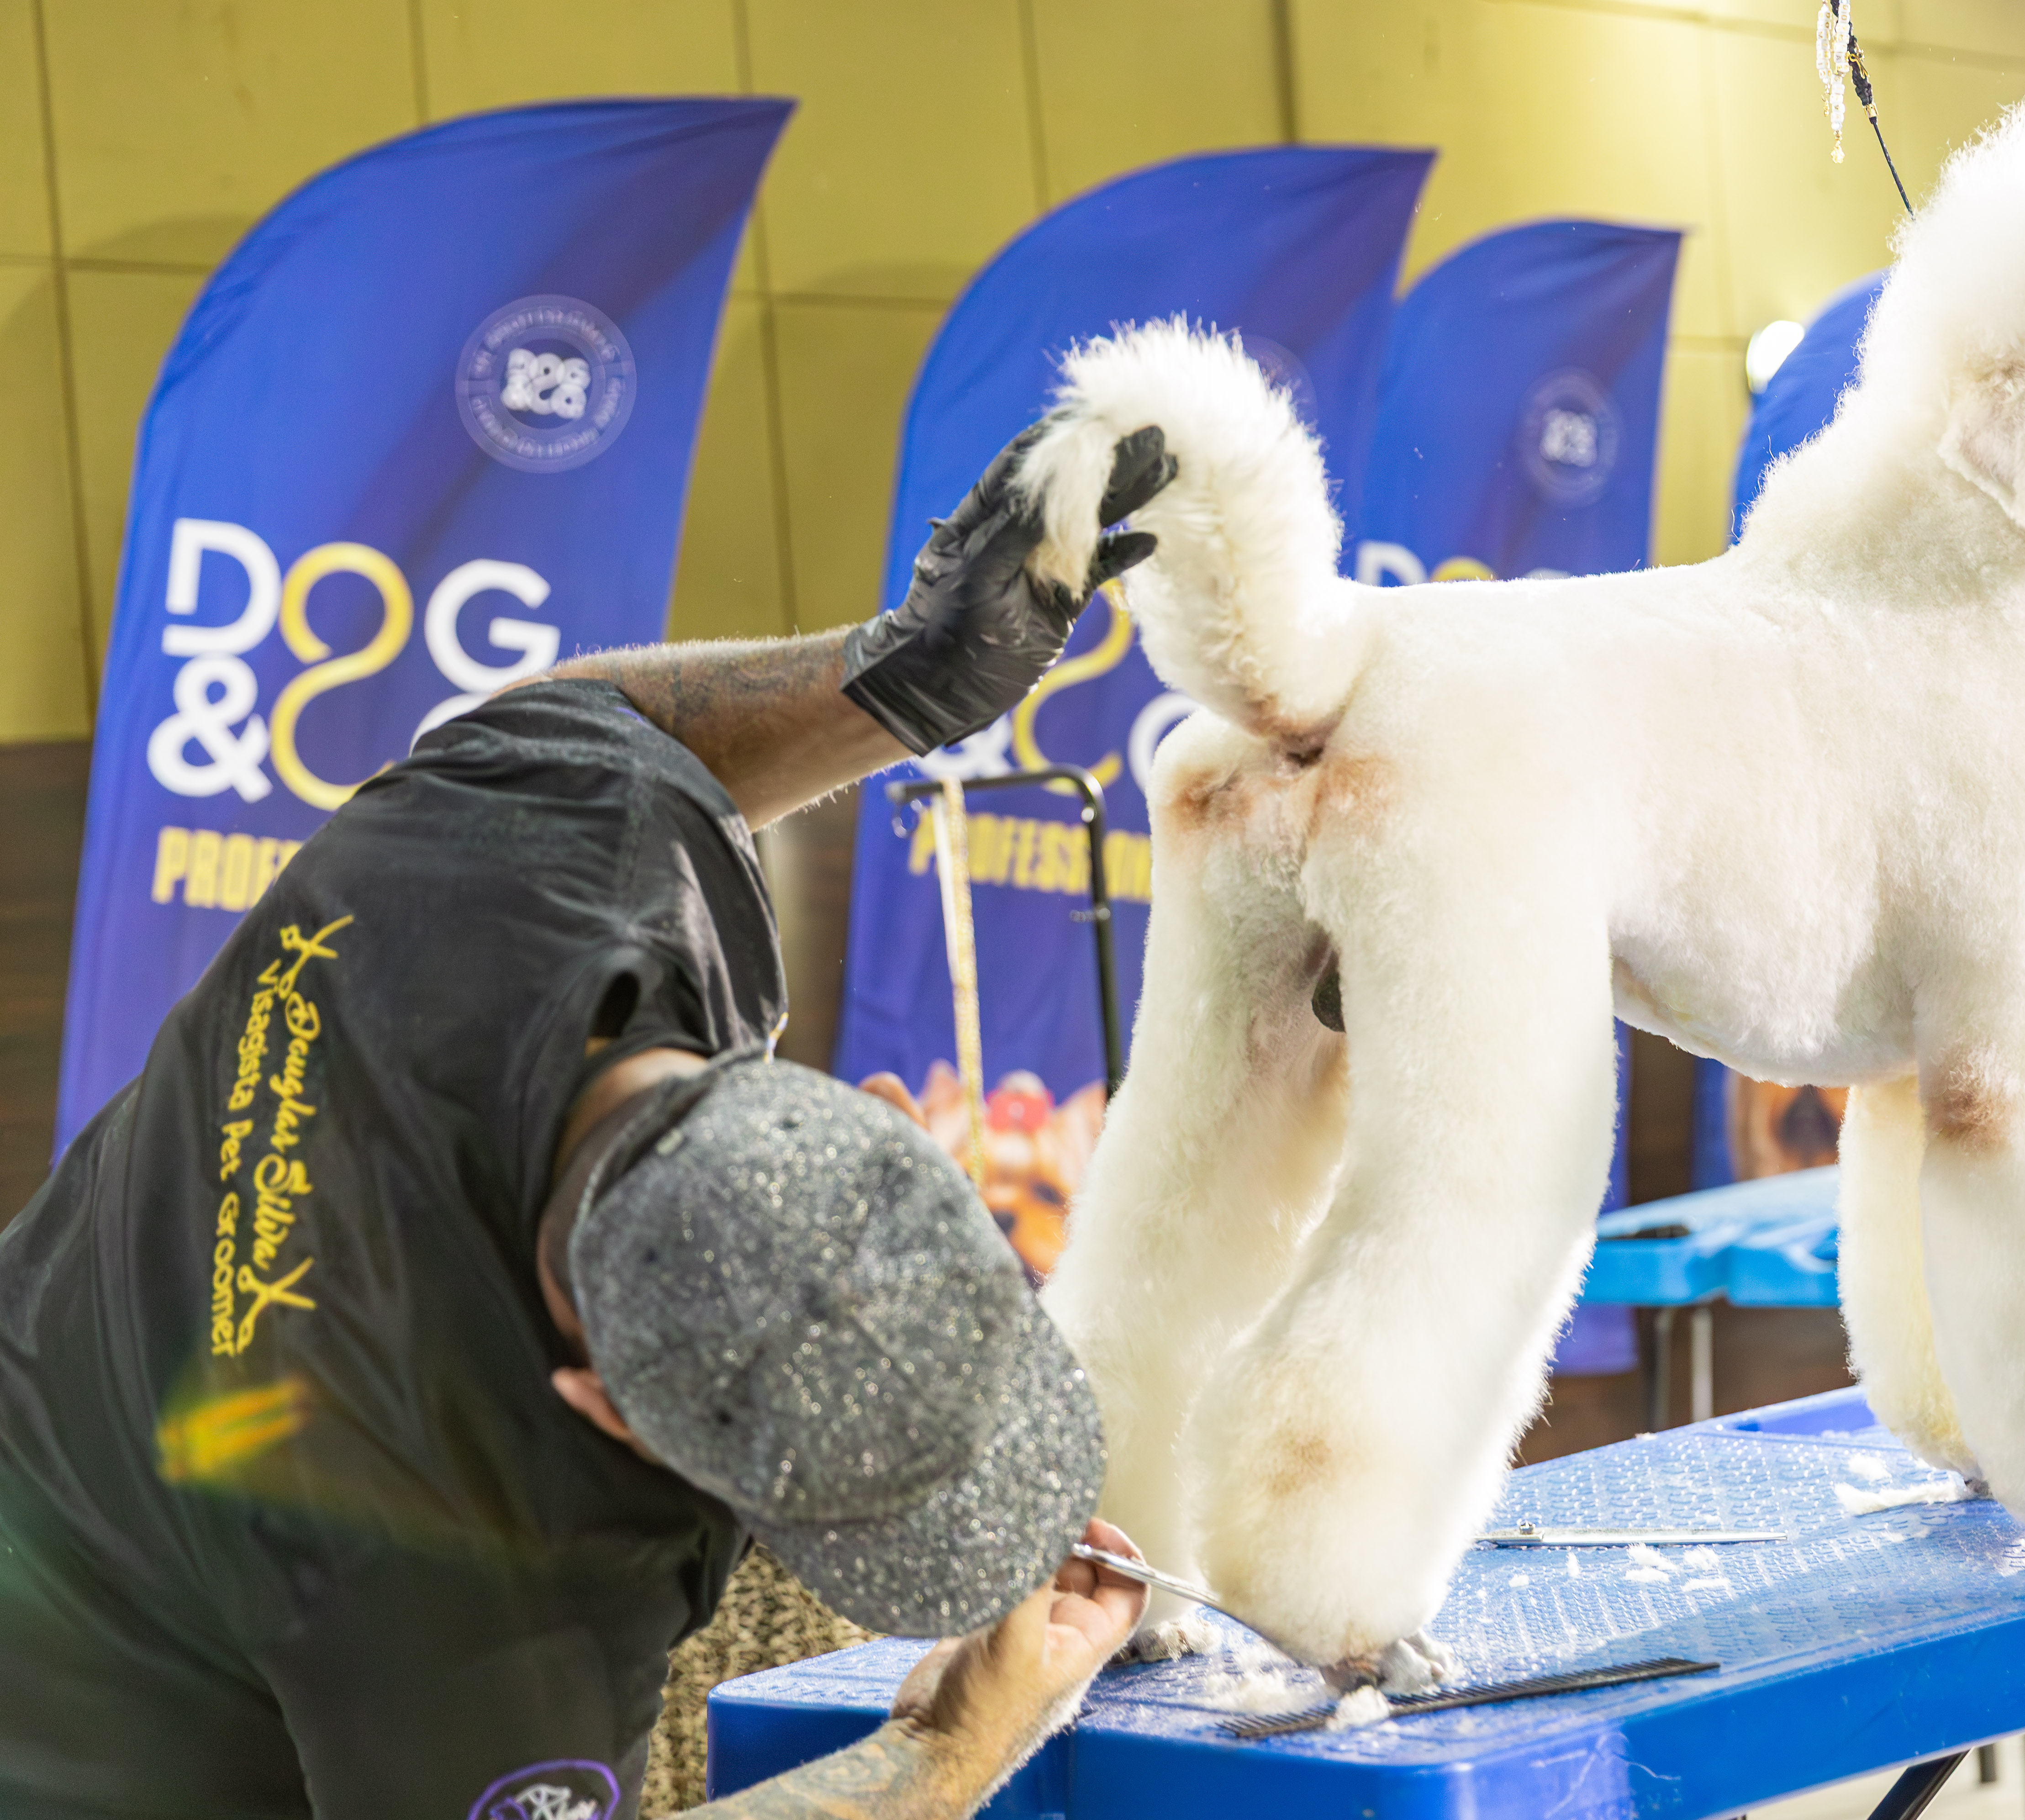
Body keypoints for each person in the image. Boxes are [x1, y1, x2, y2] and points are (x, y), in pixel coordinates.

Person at [0, 424, 1176, 1819]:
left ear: (885, 1124)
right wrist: (953, 1743)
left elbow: (587, 734)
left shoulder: (539, 843)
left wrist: (894, 682)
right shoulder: (483, 1587)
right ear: (605, 1405)